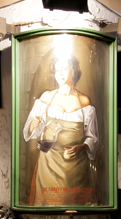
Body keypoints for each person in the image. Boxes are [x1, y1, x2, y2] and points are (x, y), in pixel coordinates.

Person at [23, 54, 99, 206]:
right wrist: (34, 124)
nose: (61, 73)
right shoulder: (46, 98)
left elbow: (92, 137)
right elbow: (30, 131)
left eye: (65, 68)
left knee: (75, 207)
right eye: (57, 70)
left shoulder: (84, 102)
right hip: (49, 164)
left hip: (76, 168)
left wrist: (82, 147)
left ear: (73, 71)